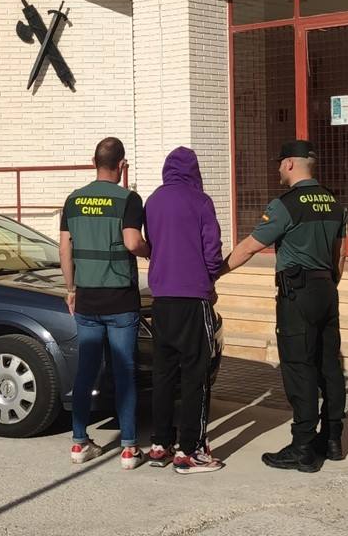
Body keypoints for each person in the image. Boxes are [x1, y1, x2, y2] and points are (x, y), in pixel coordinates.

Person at [219, 140, 347, 473]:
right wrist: (328, 285)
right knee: (329, 366)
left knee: (298, 366)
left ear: (290, 164)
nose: (277, 169)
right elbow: (340, 256)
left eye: (279, 163)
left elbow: (248, 248)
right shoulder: (333, 202)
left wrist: (214, 273)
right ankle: (332, 440)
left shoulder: (284, 205)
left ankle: (303, 447)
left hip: (298, 294)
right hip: (326, 289)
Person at [60, 137, 149, 469]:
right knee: (125, 371)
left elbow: (65, 250)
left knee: (86, 371)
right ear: (122, 165)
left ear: (92, 161)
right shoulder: (129, 199)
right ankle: (128, 448)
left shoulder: (73, 200)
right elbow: (132, 242)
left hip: (87, 299)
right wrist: (152, 252)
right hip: (120, 299)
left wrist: (71, 289)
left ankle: (80, 443)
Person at [144, 146, 226, 474]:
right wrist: (211, 277)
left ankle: (160, 443)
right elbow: (212, 251)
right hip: (193, 299)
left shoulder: (153, 201)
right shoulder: (200, 201)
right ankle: (190, 451)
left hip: (161, 299)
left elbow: (151, 242)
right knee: (196, 376)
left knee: (163, 375)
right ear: (195, 171)